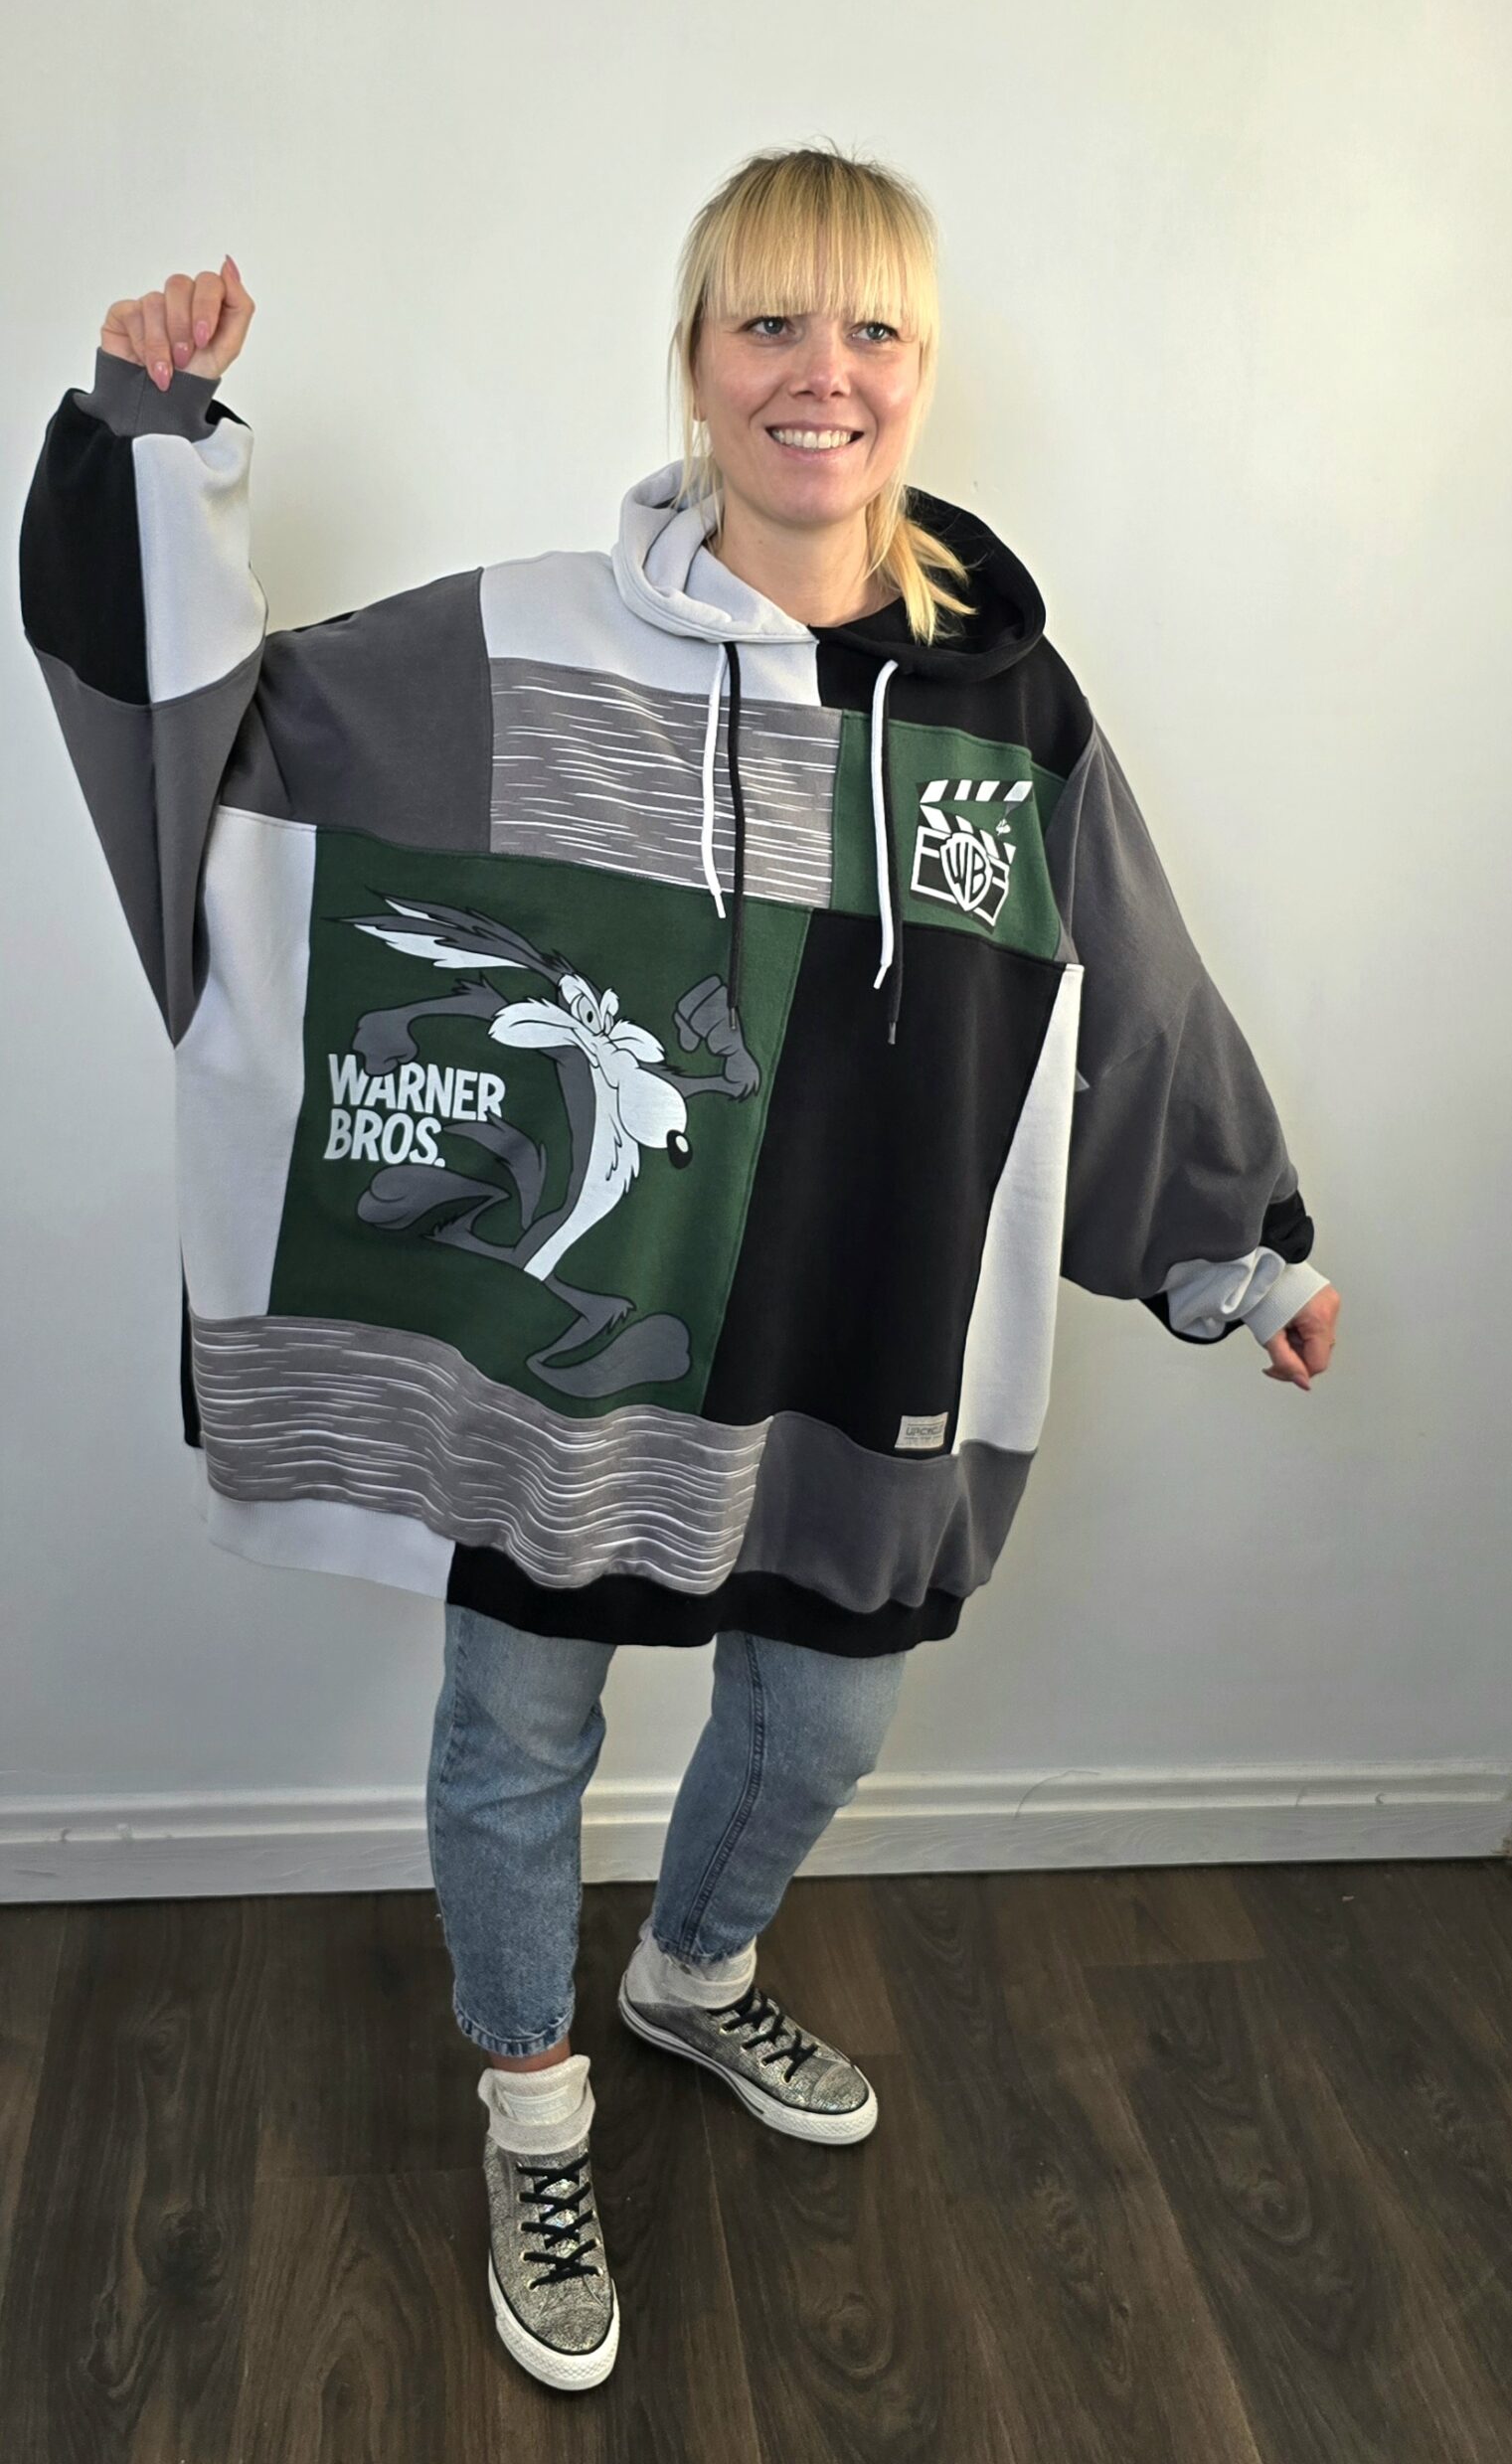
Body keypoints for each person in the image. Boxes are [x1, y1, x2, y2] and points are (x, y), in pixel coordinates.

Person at [19, 140, 1339, 2395]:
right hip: (571, 1349)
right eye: (769, 322)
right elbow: (215, 759)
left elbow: (1122, 984)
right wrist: (155, 443)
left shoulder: (1002, 705)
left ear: (921, 369)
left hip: (860, 1317)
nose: (820, 372)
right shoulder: (522, 642)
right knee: (517, 1727)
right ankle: (531, 2105)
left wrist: (1236, 1246)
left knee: (823, 1710)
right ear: (697, 356)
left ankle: (691, 1973)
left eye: (870, 328)